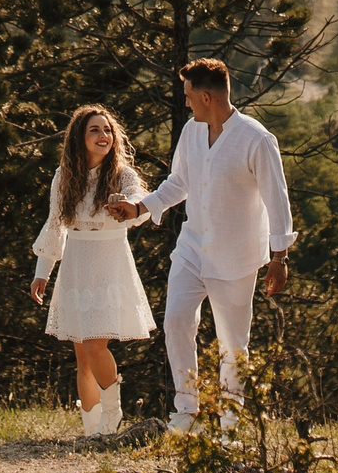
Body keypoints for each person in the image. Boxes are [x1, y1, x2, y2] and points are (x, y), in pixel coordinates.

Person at [107, 58, 292, 433]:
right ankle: (186, 411)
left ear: (207, 97)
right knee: (175, 320)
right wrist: (139, 208)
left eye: (189, 96)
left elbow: (278, 200)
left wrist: (280, 257)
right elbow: (179, 183)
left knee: (232, 343)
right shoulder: (192, 133)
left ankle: (229, 422)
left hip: (236, 258)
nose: (186, 103)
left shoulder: (256, 139)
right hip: (192, 247)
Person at [29, 103, 155, 436]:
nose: (103, 136)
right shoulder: (64, 176)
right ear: (79, 138)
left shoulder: (123, 175)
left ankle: (112, 416)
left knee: (97, 346)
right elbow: (55, 225)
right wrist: (43, 271)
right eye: (95, 130)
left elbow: (140, 206)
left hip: (110, 262)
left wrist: (127, 208)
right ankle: (91, 430)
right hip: (76, 263)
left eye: (108, 130)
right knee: (83, 354)